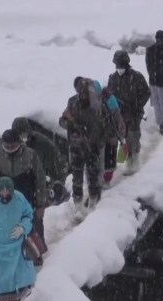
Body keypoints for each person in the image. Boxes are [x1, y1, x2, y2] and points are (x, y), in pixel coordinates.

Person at [0, 128, 47, 252]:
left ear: (19, 143)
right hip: (3, 201)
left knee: (33, 230)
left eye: (14, 145)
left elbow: (40, 180)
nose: (11, 148)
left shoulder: (30, 155)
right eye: (7, 146)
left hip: (27, 201)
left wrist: (41, 205)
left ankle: (38, 256)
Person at [59, 77, 112, 213]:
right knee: (77, 178)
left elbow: (104, 124)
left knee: (93, 177)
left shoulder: (96, 103)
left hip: (92, 147)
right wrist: (69, 122)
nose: (82, 93)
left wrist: (101, 139)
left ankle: (93, 204)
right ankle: (78, 206)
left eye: (84, 90)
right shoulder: (72, 103)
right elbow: (62, 121)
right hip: (76, 147)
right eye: (80, 91)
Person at [107, 50, 150, 175]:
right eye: (117, 64)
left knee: (133, 136)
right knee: (124, 138)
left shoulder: (136, 76)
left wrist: (137, 106)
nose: (119, 67)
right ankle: (127, 159)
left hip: (134, 113)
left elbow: (146, 93)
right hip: (119, 114)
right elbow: (110, 97)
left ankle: (134, 160)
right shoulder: (113, 78)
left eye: (121, 64)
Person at [11, 117, 69, 205]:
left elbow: (59, 165)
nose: (23, 139)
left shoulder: (43, 144)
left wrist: (58, 184)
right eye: (19, 136)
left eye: (24, 135)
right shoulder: (10, 146)